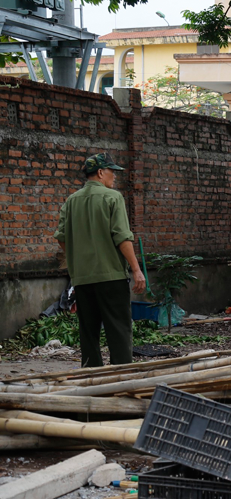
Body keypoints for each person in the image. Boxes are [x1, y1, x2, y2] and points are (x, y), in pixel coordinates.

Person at [54, 153, 146, 368]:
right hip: (111, 276)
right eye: (112, 172)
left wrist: (76, 263)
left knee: (88, 331)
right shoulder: (112, 197)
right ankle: (121, 375)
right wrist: (136, 269)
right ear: (100, 173)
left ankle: (91, 376)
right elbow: (122, 237)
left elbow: (61, 238)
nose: (114, 177)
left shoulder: (71, 201)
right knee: (118, 329)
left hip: (83, 278)